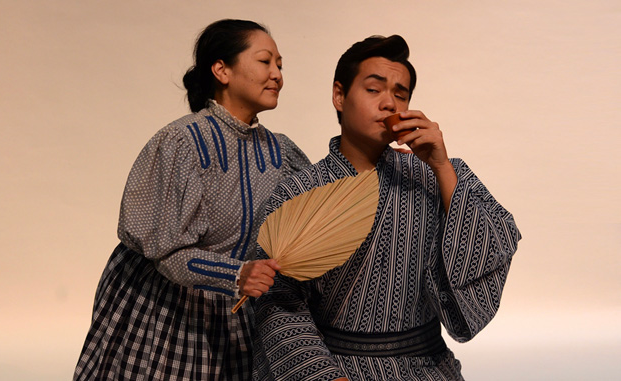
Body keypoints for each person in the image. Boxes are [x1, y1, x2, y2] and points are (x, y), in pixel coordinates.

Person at [253, 35, 521, 380]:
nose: (389, 104)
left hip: (428, 368)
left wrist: (441, 166)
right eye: (373, 90)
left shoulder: (435, 175)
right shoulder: (300, 190)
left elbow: (493, 244)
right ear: (339, 95)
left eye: (401, 94)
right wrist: (323, 375)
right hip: (337, 368)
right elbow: (279, 303)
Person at [74, 19, 310, 380]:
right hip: (168, 313)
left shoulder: (283, 150)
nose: (277, 74)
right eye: (266, 62)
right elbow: (166, 253)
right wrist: (236, 273)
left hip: (244, 312)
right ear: (222, 70)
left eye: (280, 65)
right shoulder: (182, 143)